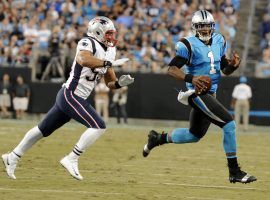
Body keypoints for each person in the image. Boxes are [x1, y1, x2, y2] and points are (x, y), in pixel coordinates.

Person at [2, 16, 134, 181]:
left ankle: (12, 156)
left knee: (43, 129)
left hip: (74, 98)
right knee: (99, 126)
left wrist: (120, 83)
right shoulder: (88, 42)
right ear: (98, 33)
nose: (111, 37)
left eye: (112, 33)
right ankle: (72, 158)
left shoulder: (110, 50)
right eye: (108, 34)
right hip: (71, 94)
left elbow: (110, 82)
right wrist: (106, 63)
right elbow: (83, 59)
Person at [142, 10, 256, 184]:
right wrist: (192, 79)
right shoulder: (187, 44)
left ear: (212, 26)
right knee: (229, 124)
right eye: (200, 26)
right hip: (196, 93)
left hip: (210, 93)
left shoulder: (219, 40)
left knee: (194, 135)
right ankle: (235, 171)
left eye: (207, 26)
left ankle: (157, 138)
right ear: (194, 27)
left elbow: (224, 69)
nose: (204, 29)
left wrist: (232, 66)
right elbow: (172, 69)